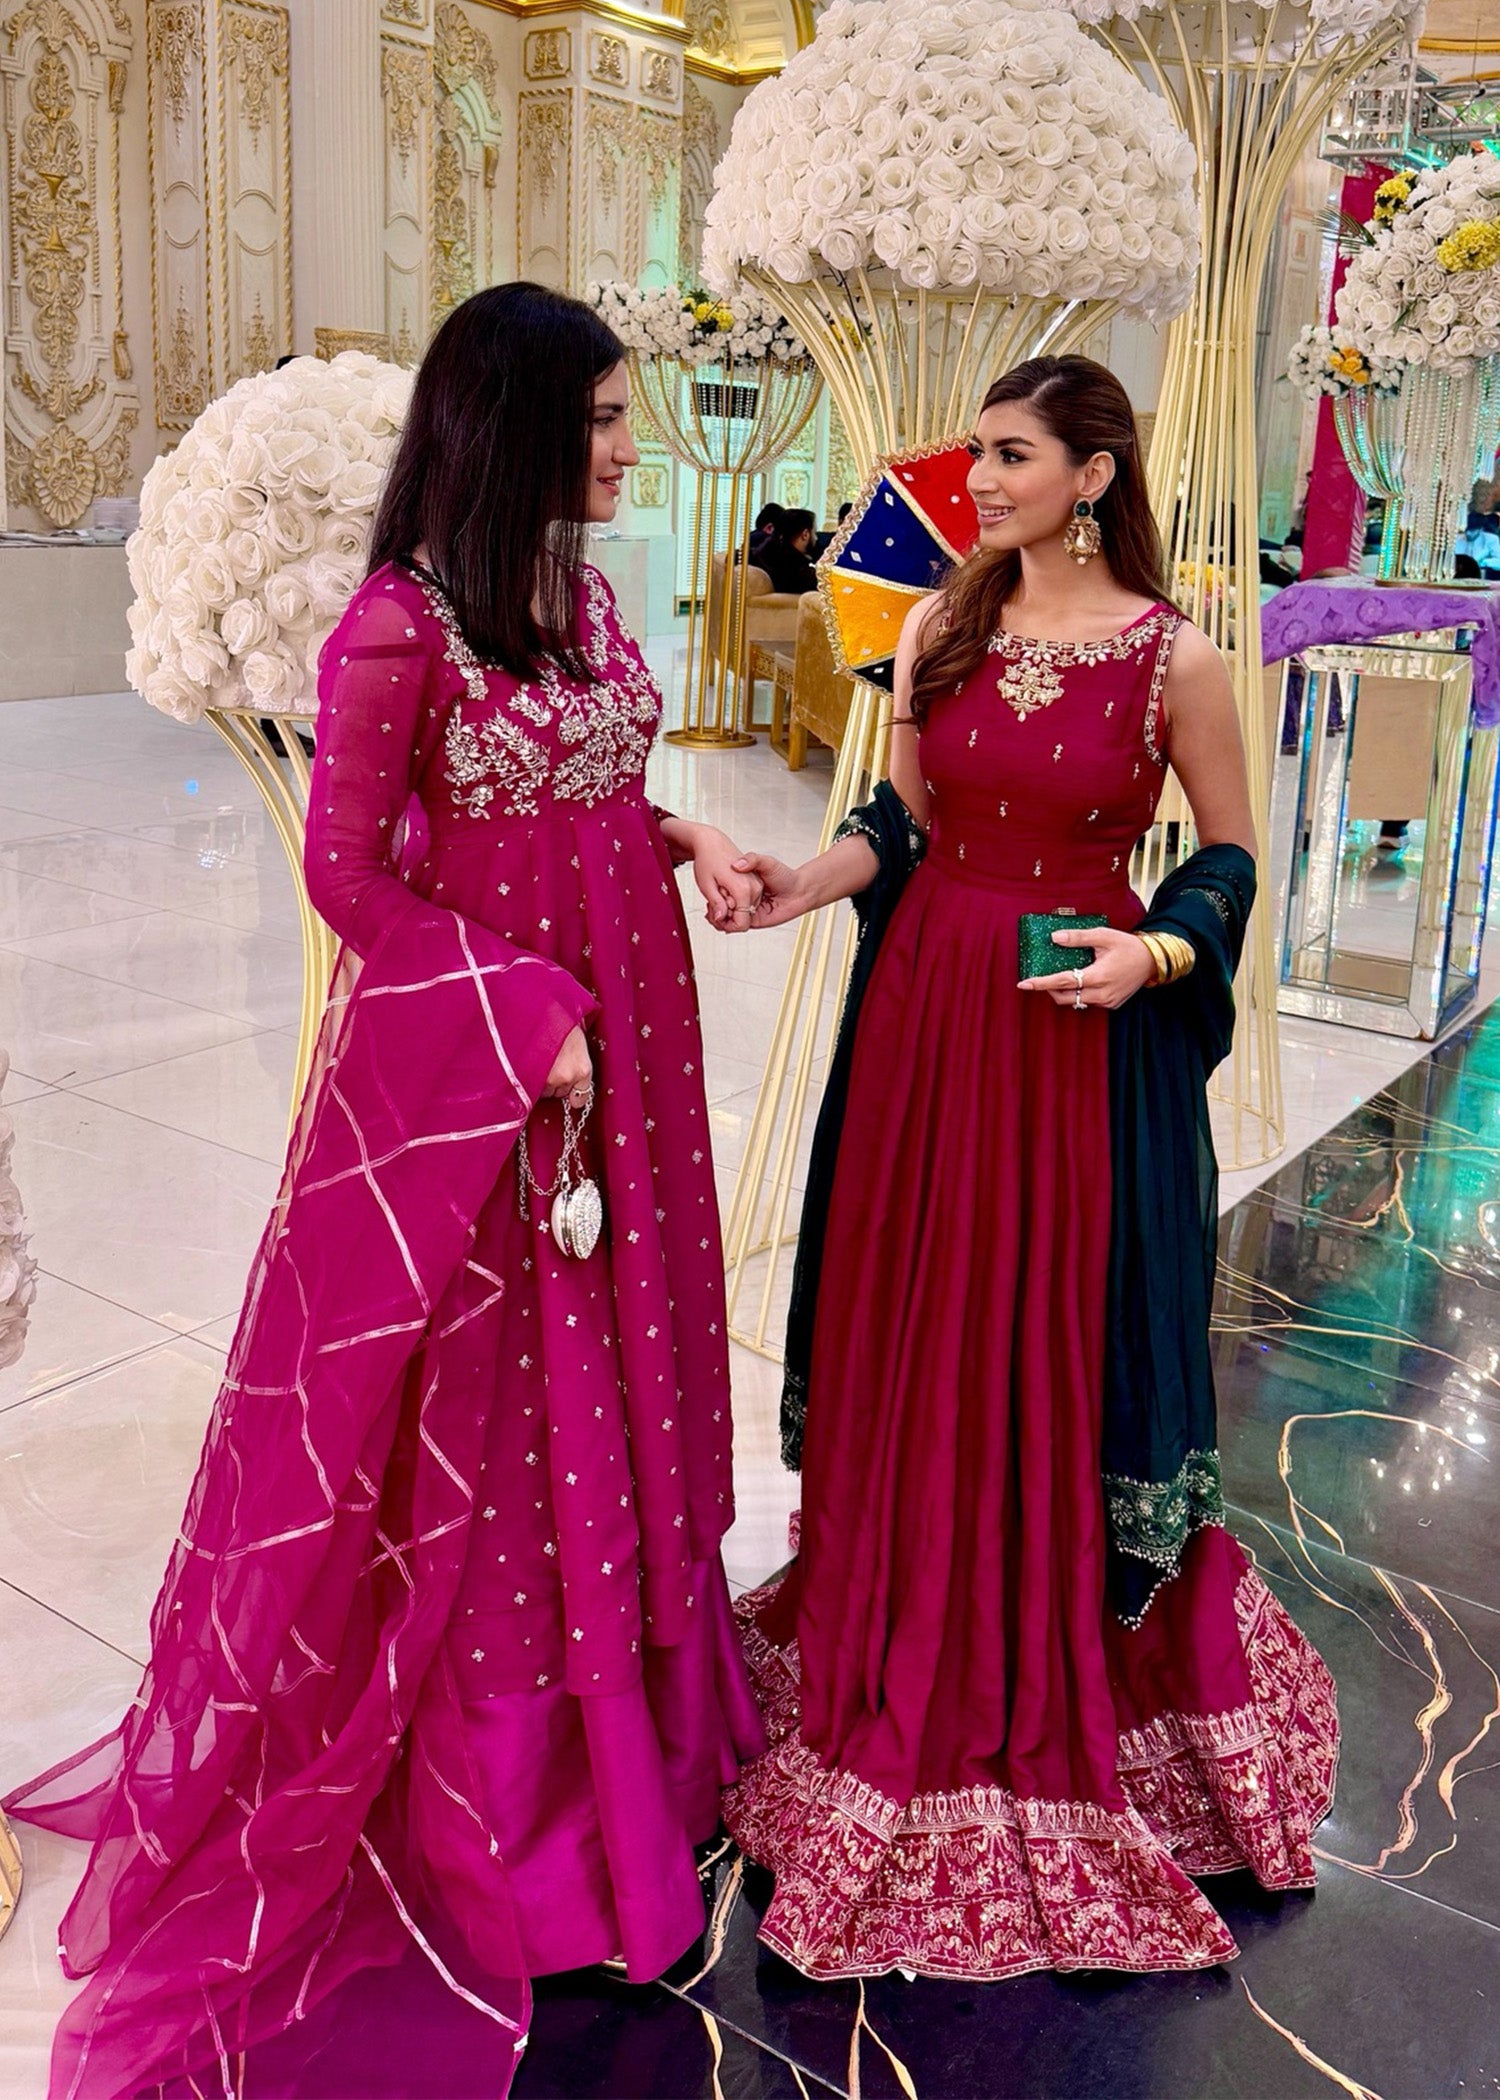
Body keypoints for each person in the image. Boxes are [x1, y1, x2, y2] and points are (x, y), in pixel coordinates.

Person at [7, 282, 768, 2099]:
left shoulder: (584, 599)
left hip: (629, 1036)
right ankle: (522, 1824)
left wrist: (676, 832)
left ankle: (649, 1757)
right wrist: (522, 1021)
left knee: (626, 1368)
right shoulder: (391, 628)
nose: (629, 448)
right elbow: (348, 877)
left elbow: (585, 790)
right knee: (500, 1416)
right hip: (488, 1076)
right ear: (508, 429)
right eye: (600, 419)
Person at [718, 355, 1338, 1983]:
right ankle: (896, 1610)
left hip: (1074, 1022)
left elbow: (1229, 853)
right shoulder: (941, 624)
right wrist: (802, 883)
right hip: (926, 1008)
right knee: (912, 1309)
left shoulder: (1176, 657)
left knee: (1042, 1324)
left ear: (1092, 473)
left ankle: (1041, 1642)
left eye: (1010, 455)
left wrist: (1158, 957)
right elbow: (903, 823)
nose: (980, 479)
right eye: (982, 453)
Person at [756, 507, 820, 596]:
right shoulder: (802, 573)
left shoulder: (763, 557)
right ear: (805, 534)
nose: (816, 538)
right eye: (814, 533)